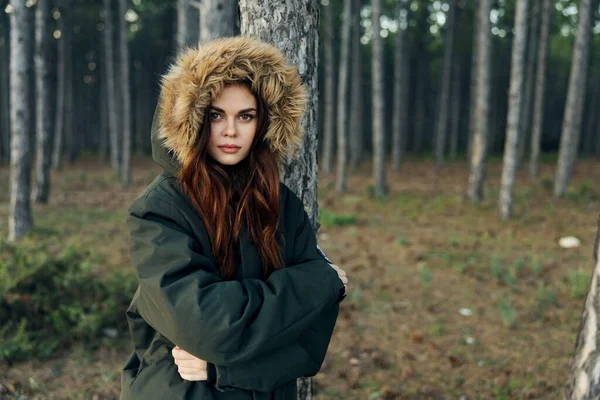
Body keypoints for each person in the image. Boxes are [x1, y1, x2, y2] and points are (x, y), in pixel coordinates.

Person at [120, 36, 348, 400]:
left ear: (263, 123)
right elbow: (208, 325)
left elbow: (311, 342)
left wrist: (224, 368)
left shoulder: (283, 206)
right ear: (193, 119)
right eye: (216, 115)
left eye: (246, 116)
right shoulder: (160, 209)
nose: (230, 131)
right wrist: (319, 283)